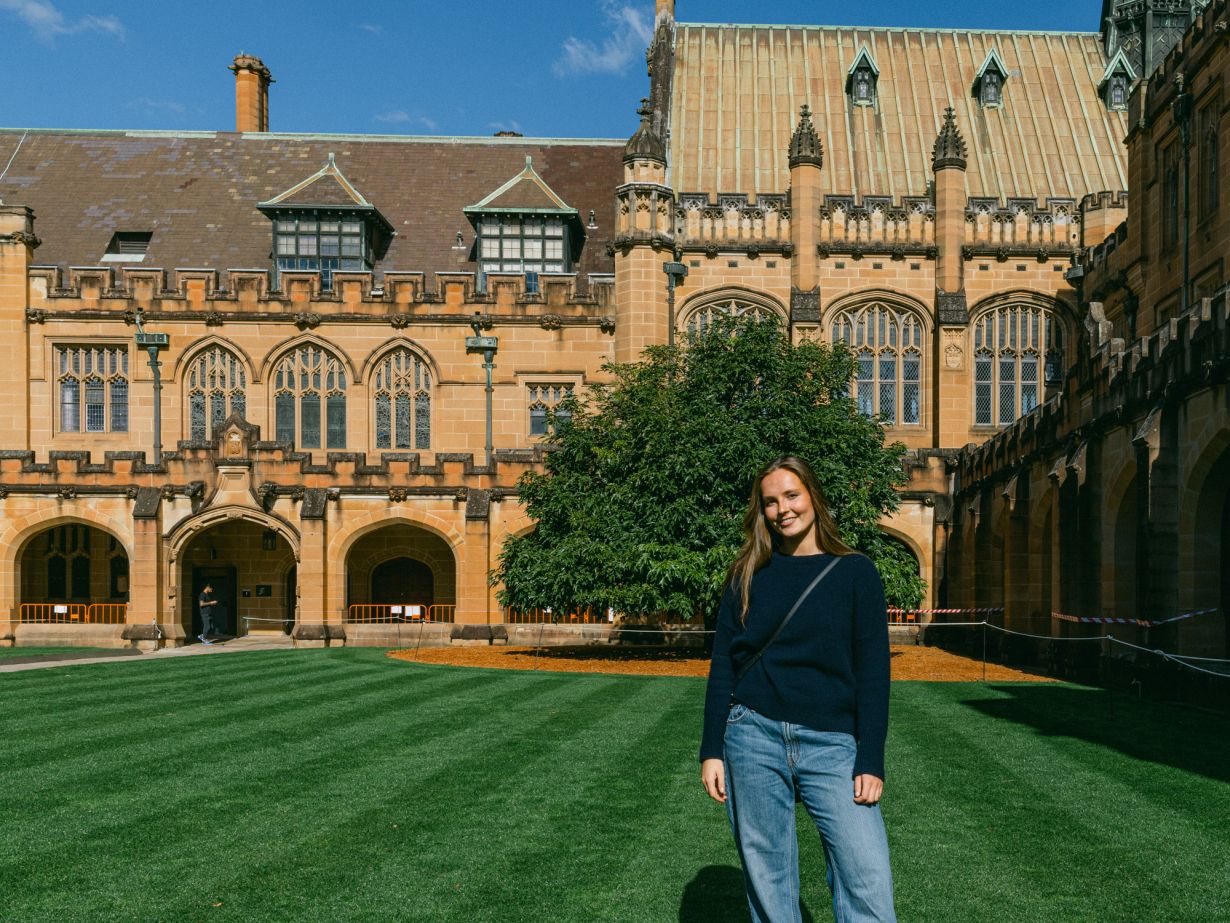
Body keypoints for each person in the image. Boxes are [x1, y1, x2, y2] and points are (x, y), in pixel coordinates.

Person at [700, 455, 896, 923]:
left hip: (832, 744)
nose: (782, 509)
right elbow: (724, 666)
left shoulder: (855, 573)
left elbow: (873, 673)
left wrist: (871, 757)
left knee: (866, 876)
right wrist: (711, 748)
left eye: (791, 496)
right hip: (752, 737)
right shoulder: (746, 574)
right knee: (768, 879)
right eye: (770, 502)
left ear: (813, 497)